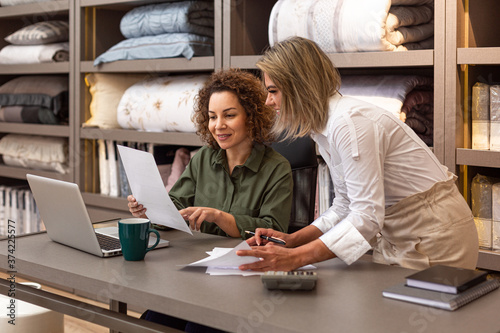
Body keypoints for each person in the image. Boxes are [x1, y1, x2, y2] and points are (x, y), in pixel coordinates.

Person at [238, 36, 479, 272]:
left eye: (273, 91)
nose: (268, 101)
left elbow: (366, 217)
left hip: (437, 237)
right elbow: (345, 204)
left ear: (299, 86)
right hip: (404, 237)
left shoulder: (349, 123)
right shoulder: (323, 128)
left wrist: (294, 258)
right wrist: (293, 240)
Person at [128, 68, 293, 238]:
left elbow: (273, 230)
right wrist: (149, 212)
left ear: (251, 117)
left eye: (229, 115)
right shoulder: (203, 158)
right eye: (213, 117)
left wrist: (220, 217)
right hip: (198, 257)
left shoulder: (277, 168)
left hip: (248, 259)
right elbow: (177, 206)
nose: (218, 125)